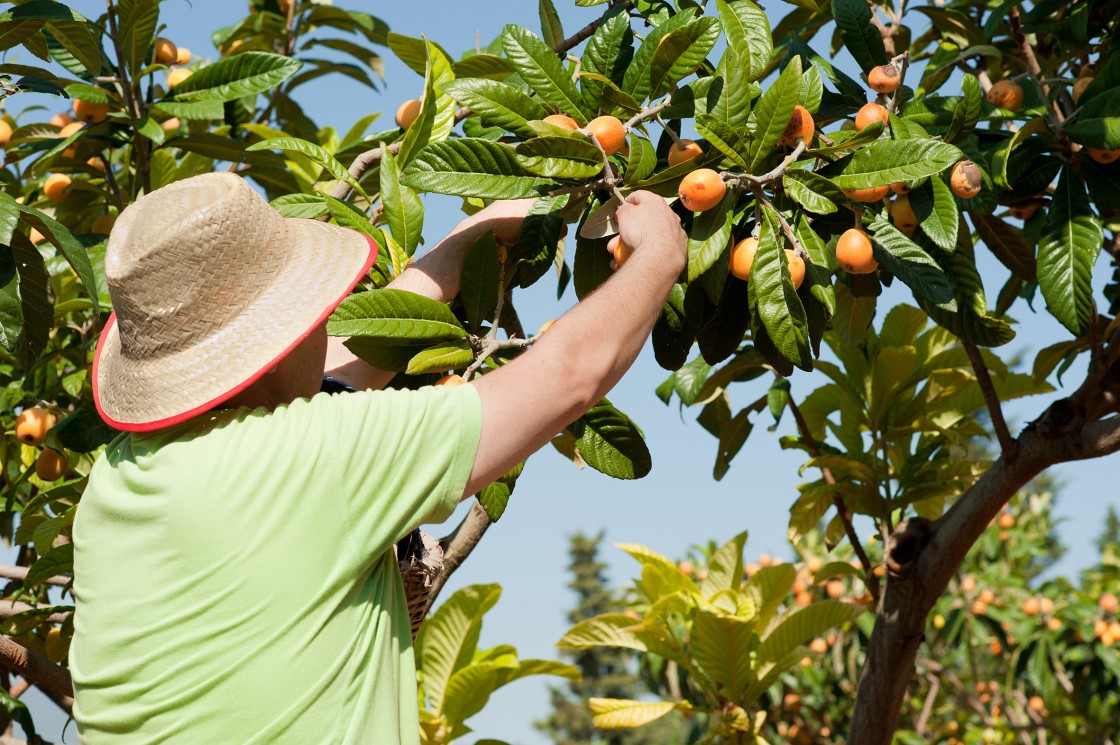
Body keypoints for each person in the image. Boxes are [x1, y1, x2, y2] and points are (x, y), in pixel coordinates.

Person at [71, 171, 686, 744]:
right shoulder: (316, 458)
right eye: (310, 310)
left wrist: (465, 238)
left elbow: (330, 370)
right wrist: (659, 254)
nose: (323, 323)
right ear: (280, 336)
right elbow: (569, 374)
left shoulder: (116, 479)